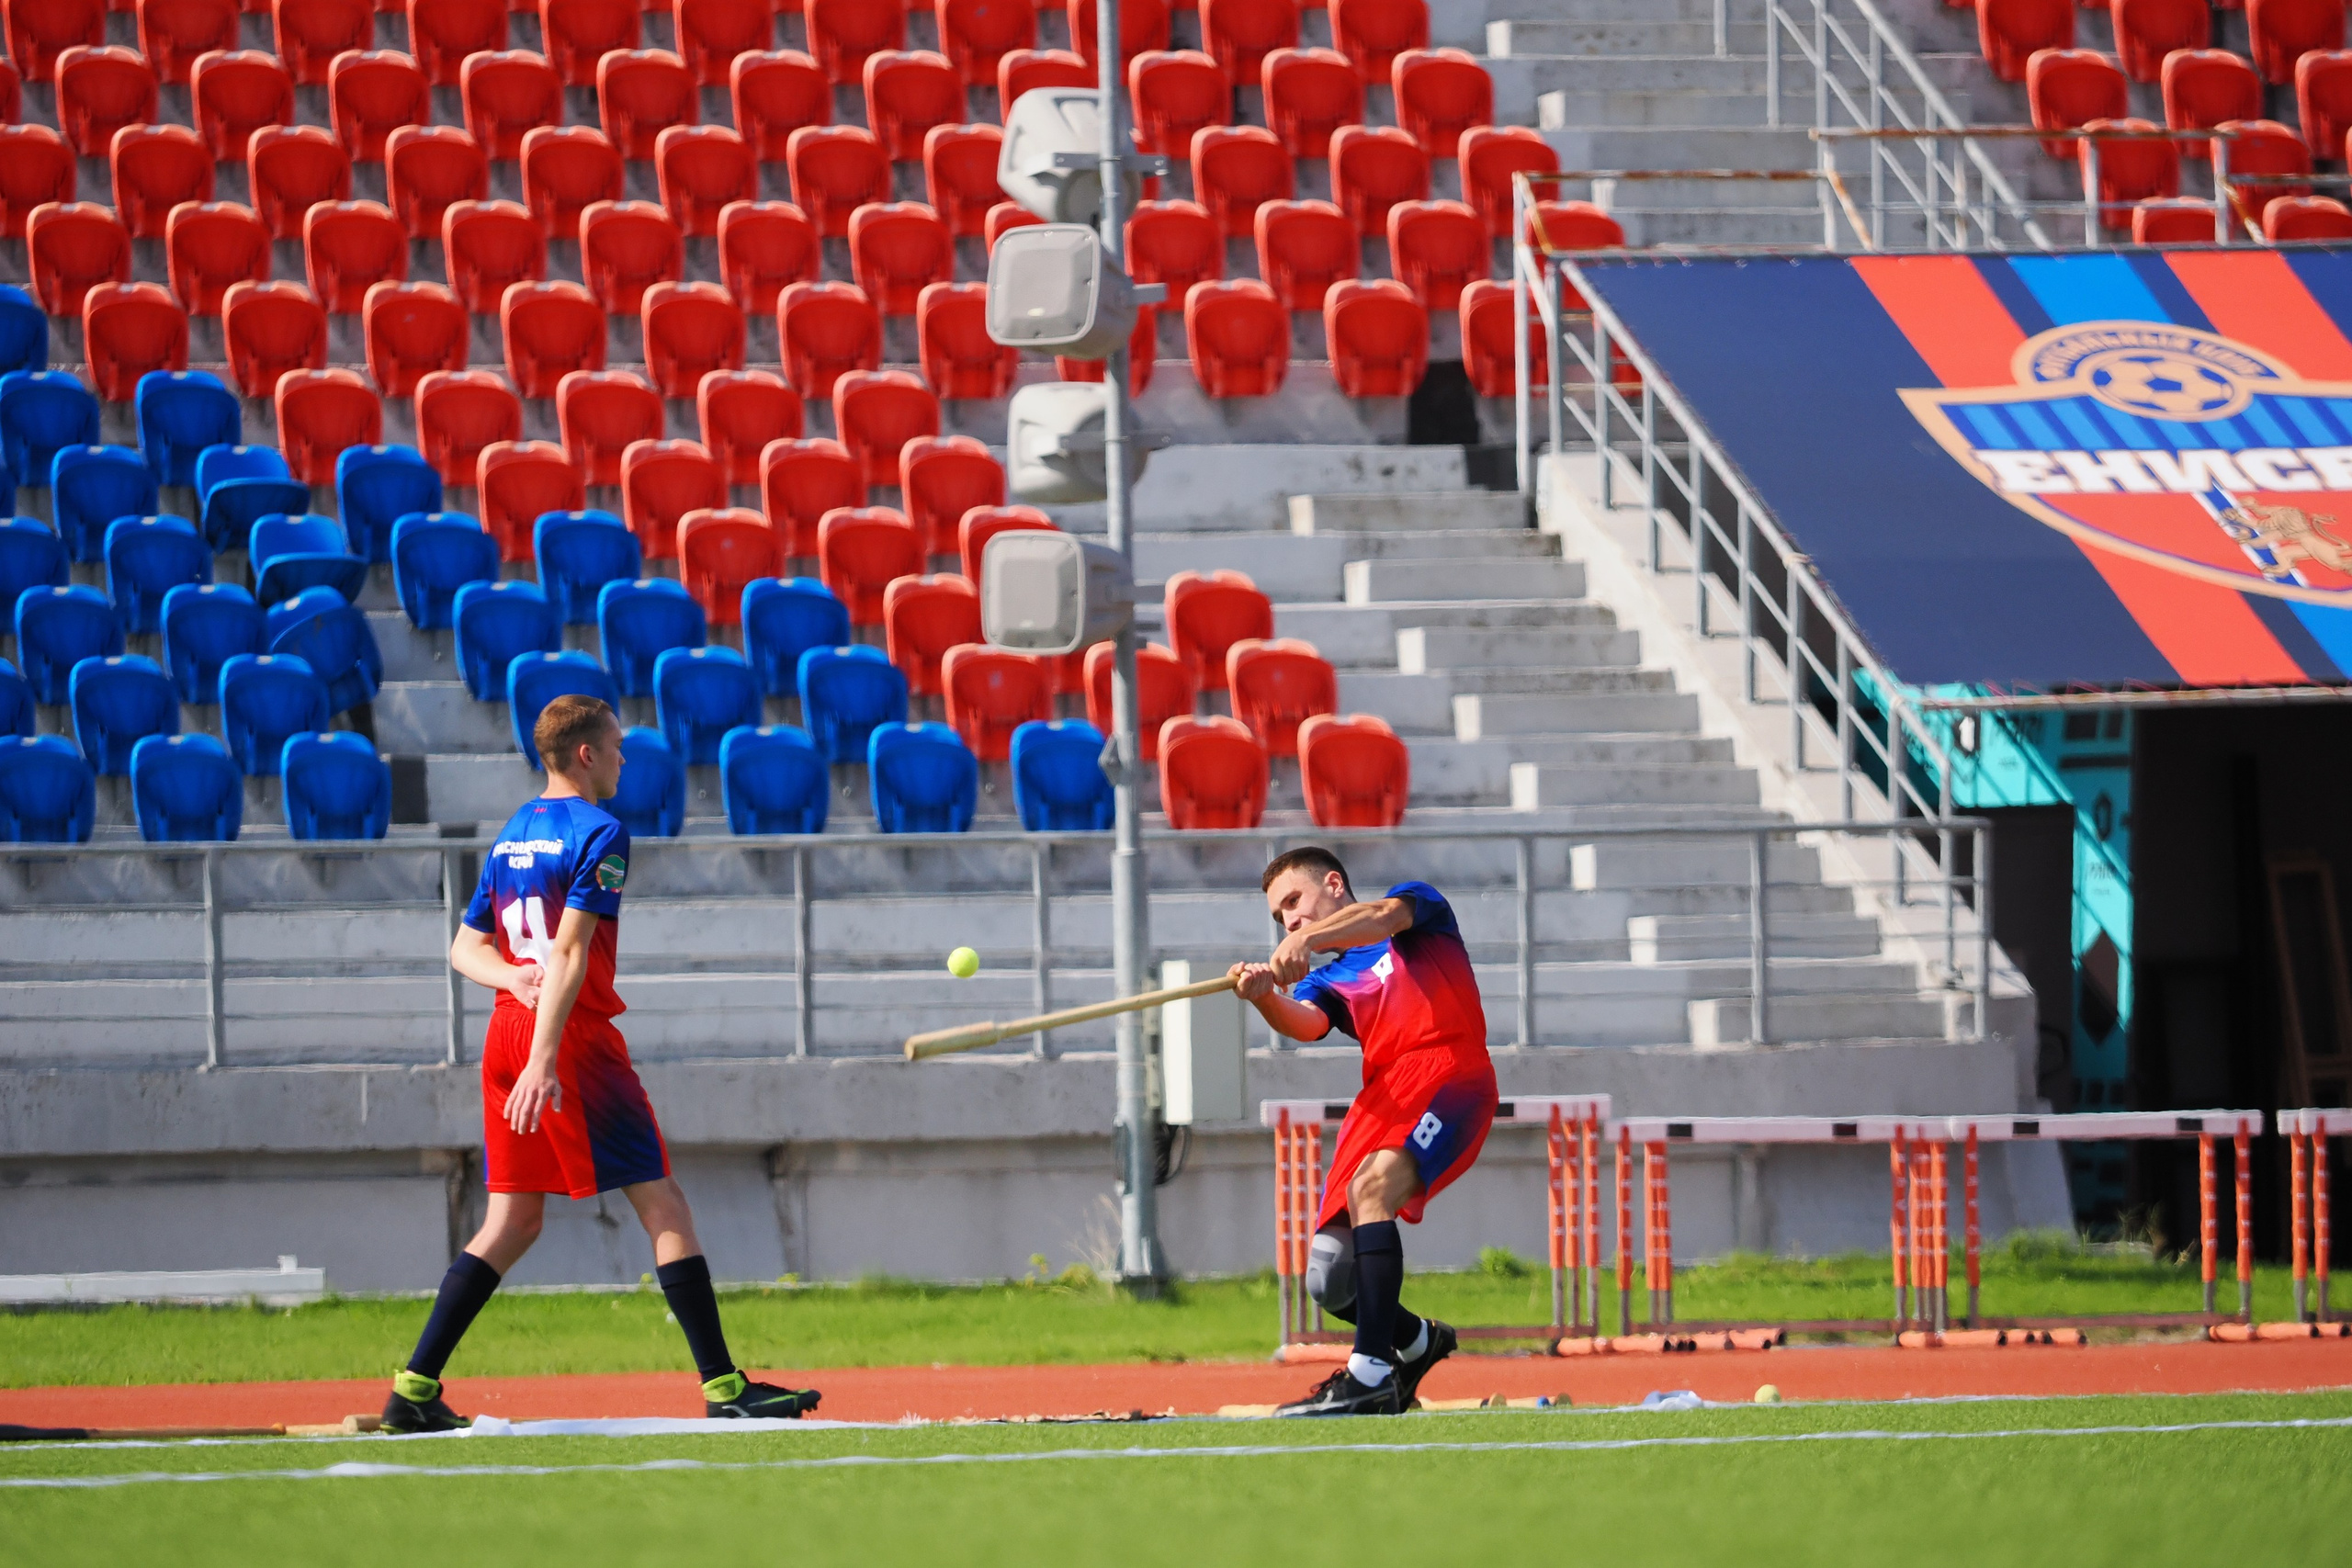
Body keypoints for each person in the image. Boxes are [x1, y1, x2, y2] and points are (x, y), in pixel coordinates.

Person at [380, 694, 820, 1432]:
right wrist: (546, 1056)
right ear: (585, 752)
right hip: (570, 1038)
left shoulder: (515, 832)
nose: (624, 757)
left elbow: (464, 948)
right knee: (664, 1203)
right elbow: (572, 952)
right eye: (616, 745)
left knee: (514, 1219)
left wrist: (511, 981)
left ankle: (413, 1389)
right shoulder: (603, 831)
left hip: (506, 1030)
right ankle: (723, 1385)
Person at [1229, 846, 1498, 1417]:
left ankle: (1370, 1374)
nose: (1289, 920)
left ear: (1333, 883)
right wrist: (1263, 1000)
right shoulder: (1330, 978)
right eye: (1280, 918)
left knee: (1372, 1189)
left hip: (1448, 1069)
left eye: (1294, 902)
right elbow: (1307, 1024)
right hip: (1386, 1093)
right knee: (1329, 1276)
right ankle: (1420, 1343)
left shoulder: (1416, 905)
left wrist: (1308, 940)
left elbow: (1379, 917)